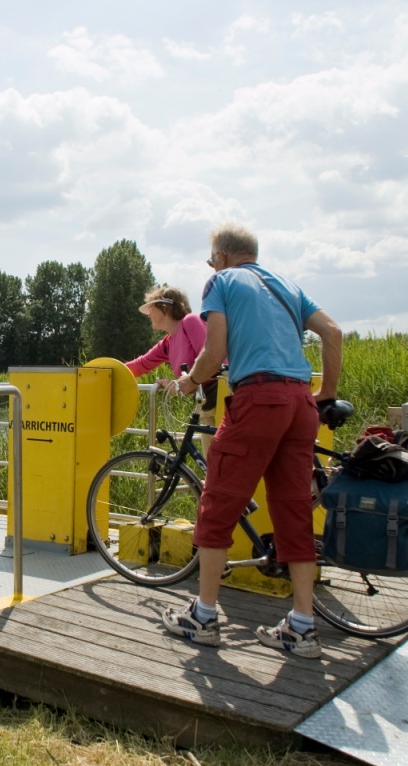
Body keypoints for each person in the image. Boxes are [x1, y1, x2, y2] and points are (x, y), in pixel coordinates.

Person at [161, 223, 342, 659]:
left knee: (218, 501)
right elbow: (333, 333)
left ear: (221, 256)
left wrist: (190, 382)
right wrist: (325, 395)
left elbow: (215, 345)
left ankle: (204, 617)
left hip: (258, 399)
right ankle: (302, 627)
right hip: (300, 404)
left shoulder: (221, 281)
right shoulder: (288, 286)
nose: (211, 266)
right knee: (293, 510)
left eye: (210, 260)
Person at [125, 286, 218, 430]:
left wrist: (179, 385)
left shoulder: (190, 321)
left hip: (223, 398)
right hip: (205, 404)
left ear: (164, 308)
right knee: (210, 453)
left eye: (151, 309)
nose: (148, 315)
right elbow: (140, 365)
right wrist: (103, 371)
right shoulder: (167, 343)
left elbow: (214, 358)